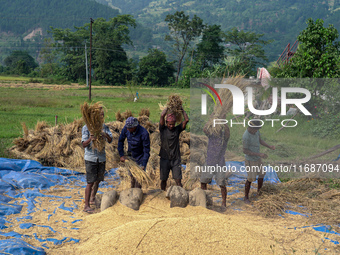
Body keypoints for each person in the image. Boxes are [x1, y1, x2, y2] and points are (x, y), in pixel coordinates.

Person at [81, 107, 113, 213]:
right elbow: (83, 144)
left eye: (103, 115)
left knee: (98, 180)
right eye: (100, 115)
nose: (102, 117)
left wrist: (105, 135)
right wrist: (91, 139)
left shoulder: (104, 127)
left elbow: (110, 140)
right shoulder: (87, 128)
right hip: (91, 158)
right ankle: (86, 205)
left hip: (101, 157)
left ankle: (93, 198)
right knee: (90, 182)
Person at [243, 120, 275, 203]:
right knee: (250, 178)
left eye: (257, 129)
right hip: (250, 160)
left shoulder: (256, 132)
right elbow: (245, 151)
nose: (256, 131)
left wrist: (269, 146)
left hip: (258, 158)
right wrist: (259, 154)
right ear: (250, 128)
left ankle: (259, 192)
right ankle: (246, 197)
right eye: (255, 129)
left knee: (261, 174)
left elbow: (260, 140)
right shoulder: (246, 136)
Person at [200, 121, 230, 209]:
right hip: (209, 161)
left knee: (221, 184)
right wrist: (211, 119)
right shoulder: (212, 135)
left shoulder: (224, 137)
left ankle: (224, 202)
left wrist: (224, 123)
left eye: (220, 128)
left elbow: (228, 132)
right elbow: (205, 129)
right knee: (203, 181)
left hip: (219, 162)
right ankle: (205, 199)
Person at [159, 107, 189, 191]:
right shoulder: (163, 129)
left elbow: (186, 120)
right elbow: (162, 116)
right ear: (166, 123)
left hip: (175, 159)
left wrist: (182, 110)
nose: (171, 126)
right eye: (169, 124)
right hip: (164, 159)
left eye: (173, 124)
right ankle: (162, 193)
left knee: (178, 180)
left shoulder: (177, 129)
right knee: (163, 179)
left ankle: (181, 195)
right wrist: (164, 112)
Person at [118, 117, 150, 188]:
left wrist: (143, 164)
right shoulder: (126, 129)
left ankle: (137, 193)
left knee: (139, 178)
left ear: (135, 127)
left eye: (130, 128)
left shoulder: (144, 133)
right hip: (131, 157)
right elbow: (120, 141)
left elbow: (146, 150)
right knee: (131, 177)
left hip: (140, 157)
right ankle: (132, 190)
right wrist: (121, 155)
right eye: (127, 128)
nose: (127, 130)